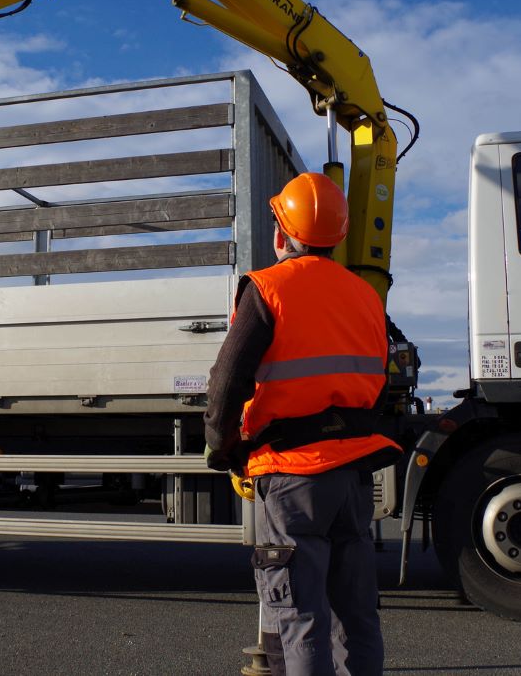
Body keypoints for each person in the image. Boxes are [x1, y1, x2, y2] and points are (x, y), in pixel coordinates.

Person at [204, 172, 402, 676]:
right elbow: (380, 381)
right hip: (352, 472)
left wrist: (221, 447)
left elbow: (228, 383)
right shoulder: (365, 297)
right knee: (355, 613)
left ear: (279, 234)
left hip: (290, 473)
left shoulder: (268, 288)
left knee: (299, 616)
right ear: (338, 236)